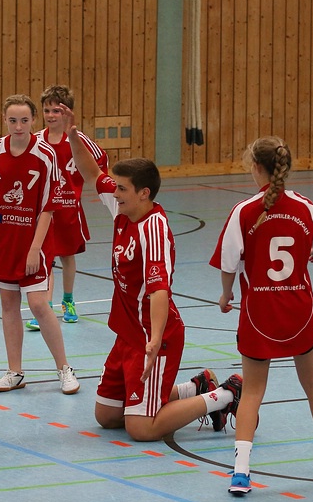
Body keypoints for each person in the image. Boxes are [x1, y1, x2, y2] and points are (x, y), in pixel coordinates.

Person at [57, 103, 242, 440]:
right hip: (127, 333)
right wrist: (72, 137)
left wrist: (155, 340)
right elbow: (91, 174)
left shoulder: (153, 229)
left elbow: (159, 290)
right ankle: (197, 386)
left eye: (121, 189)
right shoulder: (123, 208)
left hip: (154, 337)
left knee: (141, 428)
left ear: (143, 193)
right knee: (106, 416)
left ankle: (226, 395)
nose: (114, 193)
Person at [210, 136, 313, 495]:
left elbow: (228, 263)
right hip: (299, 312)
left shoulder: (243, 211)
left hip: (259, 313)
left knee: (253, 391)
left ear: (255, 167)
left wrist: (226, 294)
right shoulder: (305, 207)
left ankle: (241, 472)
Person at [0, 94, 79, 395]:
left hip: (34, 244)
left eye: (24, 120)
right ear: (4, 120)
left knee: (37, 304)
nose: (18, 126)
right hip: (1, 241)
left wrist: (35, 249)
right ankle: (15, 372)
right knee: (8, 305)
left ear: (33, 120)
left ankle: (64, 369)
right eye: (12, 120)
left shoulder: (45, 155)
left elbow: (47, 208)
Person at [26, 85, 108, 330]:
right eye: (47, 110)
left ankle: (68, 301)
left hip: (69, 210)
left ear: (67, 113)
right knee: (46, 258)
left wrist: (92, 181)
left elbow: (100, 160)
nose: (51, 115)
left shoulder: (77, 139)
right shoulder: (36, 140)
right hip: (45, 212)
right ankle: (45, 307)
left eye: (56, 111)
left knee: (67, 257)